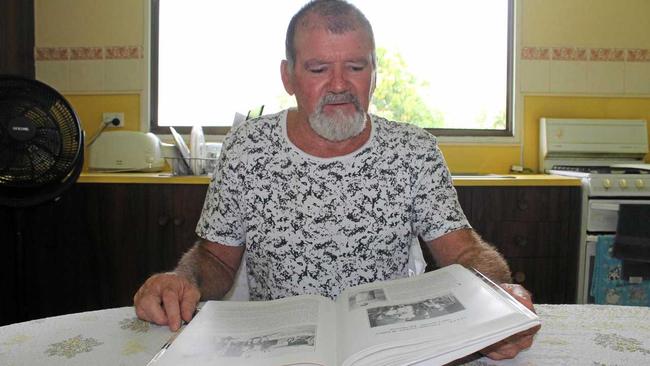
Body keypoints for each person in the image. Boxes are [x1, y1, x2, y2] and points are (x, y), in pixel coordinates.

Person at [134, 0, 540, 360]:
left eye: (356, 67)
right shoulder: (247, 147)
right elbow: (216, 259)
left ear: (375, 74)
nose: (340, 85)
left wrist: (500, 299)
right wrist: (181, 279)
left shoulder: (413, 150)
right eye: (318, 69)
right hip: (276, 352)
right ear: (288, 76)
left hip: (391, 352)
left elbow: (465, 253)